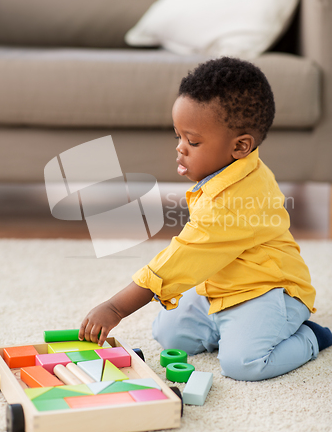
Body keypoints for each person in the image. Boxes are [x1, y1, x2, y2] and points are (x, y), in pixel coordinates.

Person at [79, 57, 332, 381]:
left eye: (193, 142)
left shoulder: (234, 203)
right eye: (178, 138)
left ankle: (311, 336)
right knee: (169, 334)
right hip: (221, 282)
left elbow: (180, 258)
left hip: (270, 291)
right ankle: (229, 328)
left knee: (243, 364)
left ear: (240, 146)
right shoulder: (233, 167)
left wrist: (116, 308)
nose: (181, 150)